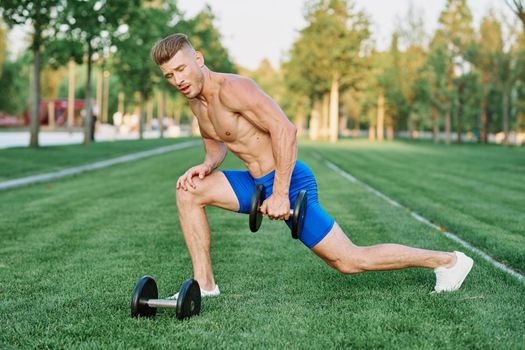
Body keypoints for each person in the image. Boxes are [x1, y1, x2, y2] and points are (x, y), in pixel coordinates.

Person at [150, 34, 474, 299]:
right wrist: (206, 166)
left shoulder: (234, 89)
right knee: (188, 191)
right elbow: (216, 144)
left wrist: (280, 194)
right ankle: (204, 286)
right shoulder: (196, 103)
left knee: (349, 261)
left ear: (199, 59)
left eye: (181, 69)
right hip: (255, 183)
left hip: (288, 182)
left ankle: (448, 261)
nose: (177, 79)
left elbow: (285, 130)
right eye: (169, 75)